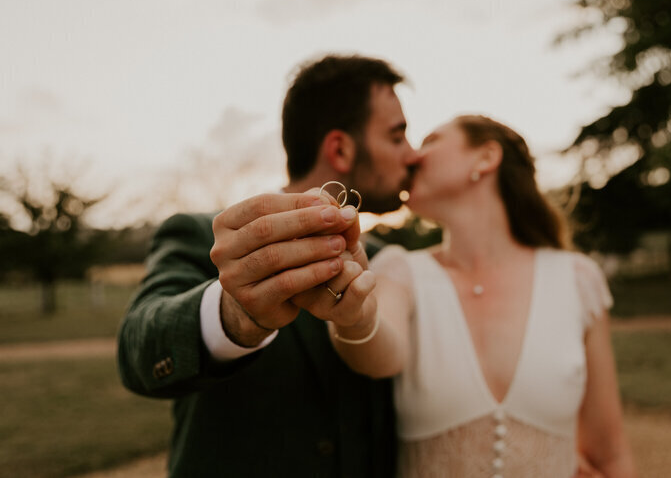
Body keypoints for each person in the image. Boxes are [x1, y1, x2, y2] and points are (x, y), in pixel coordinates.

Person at [117, 54, 419, 477]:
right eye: (397, 137)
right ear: (341, 148)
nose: (412, 155)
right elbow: (137, 352)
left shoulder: (391, 263)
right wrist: (235, 313)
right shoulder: (205, 237)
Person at [327, 115, 638, 477]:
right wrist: (355, 315)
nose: (411, 156)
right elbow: (380, 355)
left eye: (430, 141)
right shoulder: (401, 270)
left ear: (486, 158)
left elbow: (610, 453)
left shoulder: (577, 279)